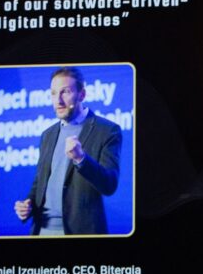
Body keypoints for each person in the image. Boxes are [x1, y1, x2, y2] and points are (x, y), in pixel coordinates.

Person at [14, 66, 122, 236]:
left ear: (82, 94)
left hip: (80, 232)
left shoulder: (107, 131)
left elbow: (109, 185)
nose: (58, 100)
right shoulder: (47, 135)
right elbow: (39, 182)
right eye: (53, 93)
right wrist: (28, 205)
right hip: (41, 230)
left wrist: (81, 159)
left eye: (65, 92)